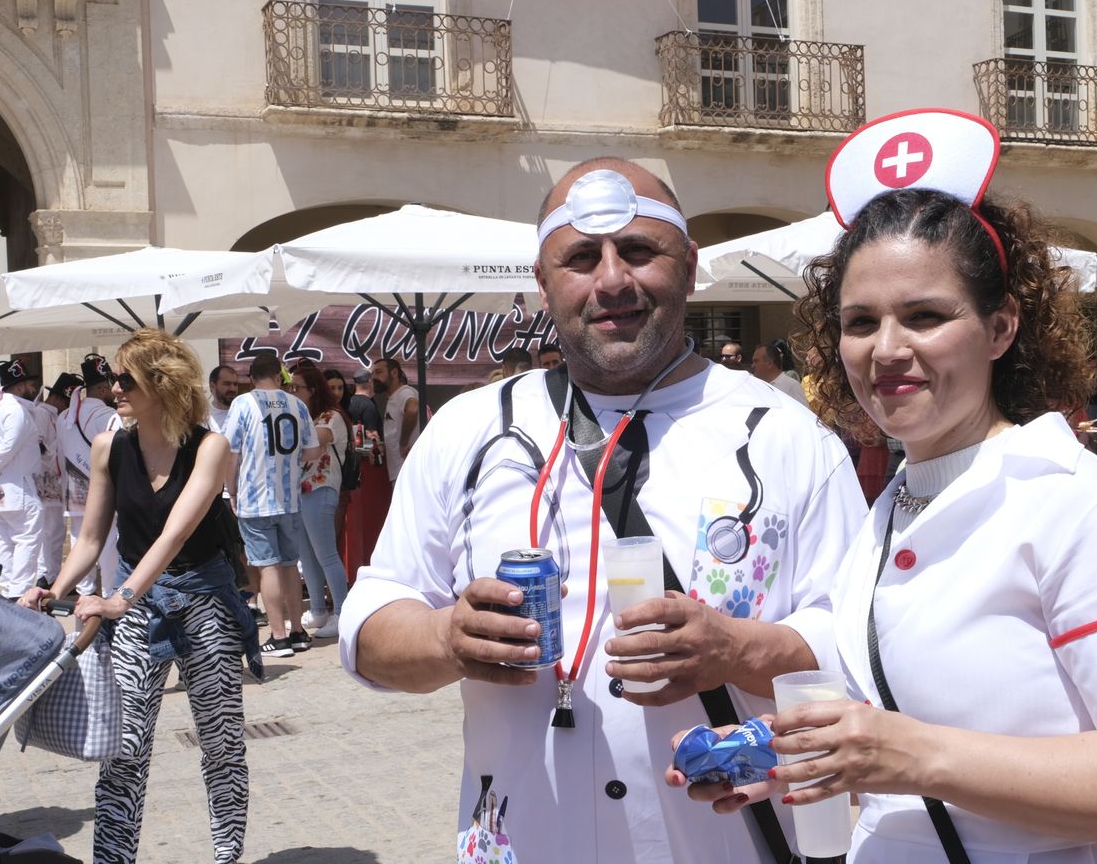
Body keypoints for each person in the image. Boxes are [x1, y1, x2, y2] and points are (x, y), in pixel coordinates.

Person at [671, 108, 1097, 862]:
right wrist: (787, 744)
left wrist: (909, 756)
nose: (887, 349)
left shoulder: (1087, 506)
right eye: (861, 321)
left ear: (1001, 328)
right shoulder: (899, 500)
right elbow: (897, 704)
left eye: (926, 315)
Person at [340, 158, 866, 862]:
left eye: (640, 251)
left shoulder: (787, 436)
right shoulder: (470, 429)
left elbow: (863, 651)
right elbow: (372, 617)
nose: (612, 279)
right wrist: (445, 638)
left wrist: (736, 650)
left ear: (689, 267)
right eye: (581, 257)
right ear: (542, 280)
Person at [20, 328, 256, 864]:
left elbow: (176, 533)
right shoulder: (110, 446)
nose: (112, 387)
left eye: (125, 379)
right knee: (123, 749)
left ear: (162, 383)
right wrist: (53, 589)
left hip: (204, 602)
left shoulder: (209, 446)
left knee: (220, 745)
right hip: (137, 610)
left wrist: (120, 596)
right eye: (110, 378)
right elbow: (91, 538)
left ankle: (227, 856)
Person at [224, 352, 317, 657]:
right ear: (279, 376)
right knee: (290, 564)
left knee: (267, 566)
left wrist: (232, 490)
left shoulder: (243, 403)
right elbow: (312, 451)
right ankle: (298, 632)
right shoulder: (297, 404)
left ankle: (278, 636)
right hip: (289, 498)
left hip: (255, 497)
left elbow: (231, 453)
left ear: (251, 377)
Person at [0, 359, 45, 599]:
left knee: (4, 537)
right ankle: (19, 590)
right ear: (21, 384)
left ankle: (8, 589)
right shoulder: (15, 410)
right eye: (29, 383)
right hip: (15, 484)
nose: (33, 388)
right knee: (27, 536)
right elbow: (8, 447)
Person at [289, 363, 350, 639]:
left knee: (326, 554)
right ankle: (317, 610)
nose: (293, 392)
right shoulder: (308, 415)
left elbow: (315, 444)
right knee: (307, 555)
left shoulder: (332, 415)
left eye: (297, 387)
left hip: (322, 488)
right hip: (302, 491)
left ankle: (342, 611)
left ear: (312, 389)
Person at [60, 354, 123, 595]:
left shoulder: (64, 416)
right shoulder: (108, 416)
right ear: (102, 387)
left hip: (74, 491)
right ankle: (109, 593)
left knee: (79, 540)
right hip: (104, 492)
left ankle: (84, 594)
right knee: (109, 546)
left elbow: (59, 456)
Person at [32, 373, 81, 589]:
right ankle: (47, 574)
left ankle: (50, 572)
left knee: (54, 529)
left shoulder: (54, 416)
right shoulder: (42, 414)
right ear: (61, 399)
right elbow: (39, 445)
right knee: (51, 529)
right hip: (46, 478)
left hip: (53, 478)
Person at [371, 357, 418, 482]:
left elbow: (413, 409)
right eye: (373, 373)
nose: (374, 377)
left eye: (379, 372)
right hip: (402, 471)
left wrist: (403, 442)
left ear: (394, 373)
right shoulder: (394, 398)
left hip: (407, 472)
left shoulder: (404, 392)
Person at [750, 339, 809, 406]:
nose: (752, 365)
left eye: (756, 361)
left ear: (769, 363)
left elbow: (803, 413)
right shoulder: (757, 386)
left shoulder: (791, 386)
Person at [207, 364, 239, 433]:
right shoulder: (203, 417)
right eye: (227, 384)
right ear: (212, 386)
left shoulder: (243, 413)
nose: (232, 389)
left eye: (235, 384)